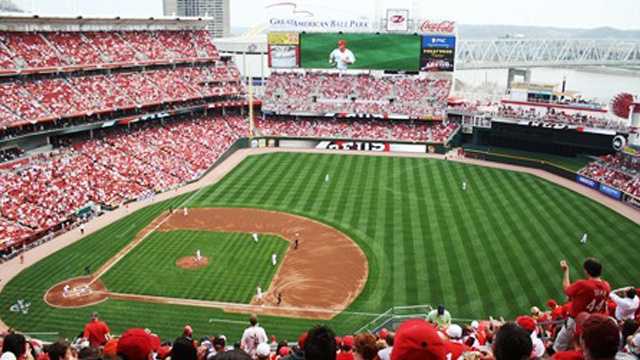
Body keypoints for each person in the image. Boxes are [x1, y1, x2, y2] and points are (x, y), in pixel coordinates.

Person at [554, 258, 611, 352]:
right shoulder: (607, 286)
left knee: (560, 345)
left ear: (586, 271)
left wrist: (566, 271)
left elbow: (567, 289)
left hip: (575, 321)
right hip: (592, 323)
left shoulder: (583, 284)